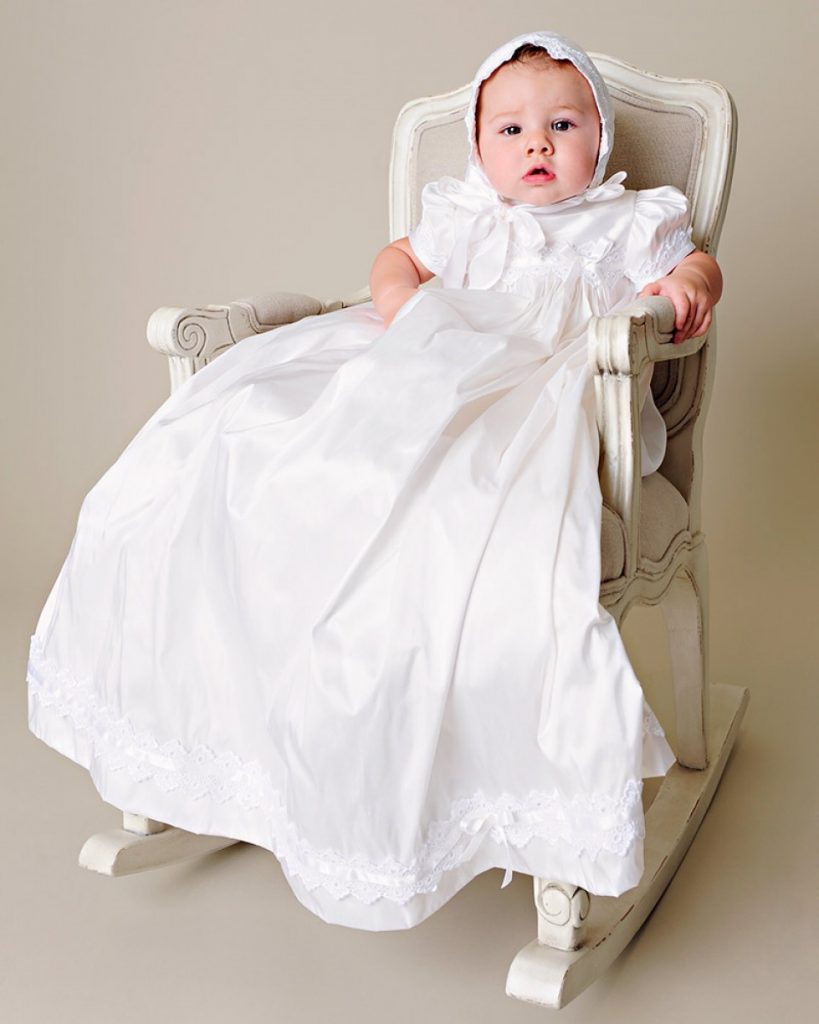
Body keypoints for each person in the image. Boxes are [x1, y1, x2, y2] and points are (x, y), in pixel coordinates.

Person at [26, 31, 720, 933]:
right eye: (509, 130)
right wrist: (401, 303)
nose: (536, 145)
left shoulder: (626, 221)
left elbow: (690, 268)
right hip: (423, 359)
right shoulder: (462, 215)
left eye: (562, 125)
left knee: (467, 490)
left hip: (536, 387)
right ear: (479, 148)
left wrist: (685, 285)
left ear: (600, 135)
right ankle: (222, 739)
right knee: (247, 434)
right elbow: (397, 263)